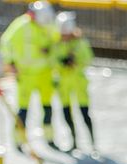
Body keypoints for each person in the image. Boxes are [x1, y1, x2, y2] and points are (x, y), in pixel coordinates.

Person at [0, 1, 58, 152]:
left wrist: (50, 50)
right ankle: (19, 140)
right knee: (23, 110)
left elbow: (56, 41)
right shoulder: (20, 25)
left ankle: (49, 137)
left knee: (47, 108)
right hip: (25, 75)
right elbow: (5, 42)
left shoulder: (48, 24)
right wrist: (9, 62)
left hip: (45, 73)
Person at [53, 12, 95, 154]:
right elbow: (53, 61)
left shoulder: (80, 43)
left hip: (78, 83)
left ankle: (92, 143)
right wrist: (61, 63)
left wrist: (75, 62)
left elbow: (87, 59)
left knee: (84, 114)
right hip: (64, 85)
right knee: (67, 114)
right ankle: (74, 142)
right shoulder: (57, 44)